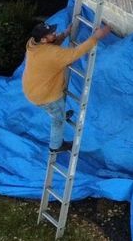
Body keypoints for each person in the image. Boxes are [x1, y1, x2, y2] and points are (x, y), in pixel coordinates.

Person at [23, 20, 112, 153]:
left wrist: (64, 35)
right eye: (51, 34)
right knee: (57, 120)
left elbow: (49, 47)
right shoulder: (52, 54)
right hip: (45, 96)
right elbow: (75, 53)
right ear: (42, 39)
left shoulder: (32, 44)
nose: (55, 33)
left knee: (57, 108)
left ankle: (60, 114)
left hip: (33, 87)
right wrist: (96, 37)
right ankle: (55, 146)